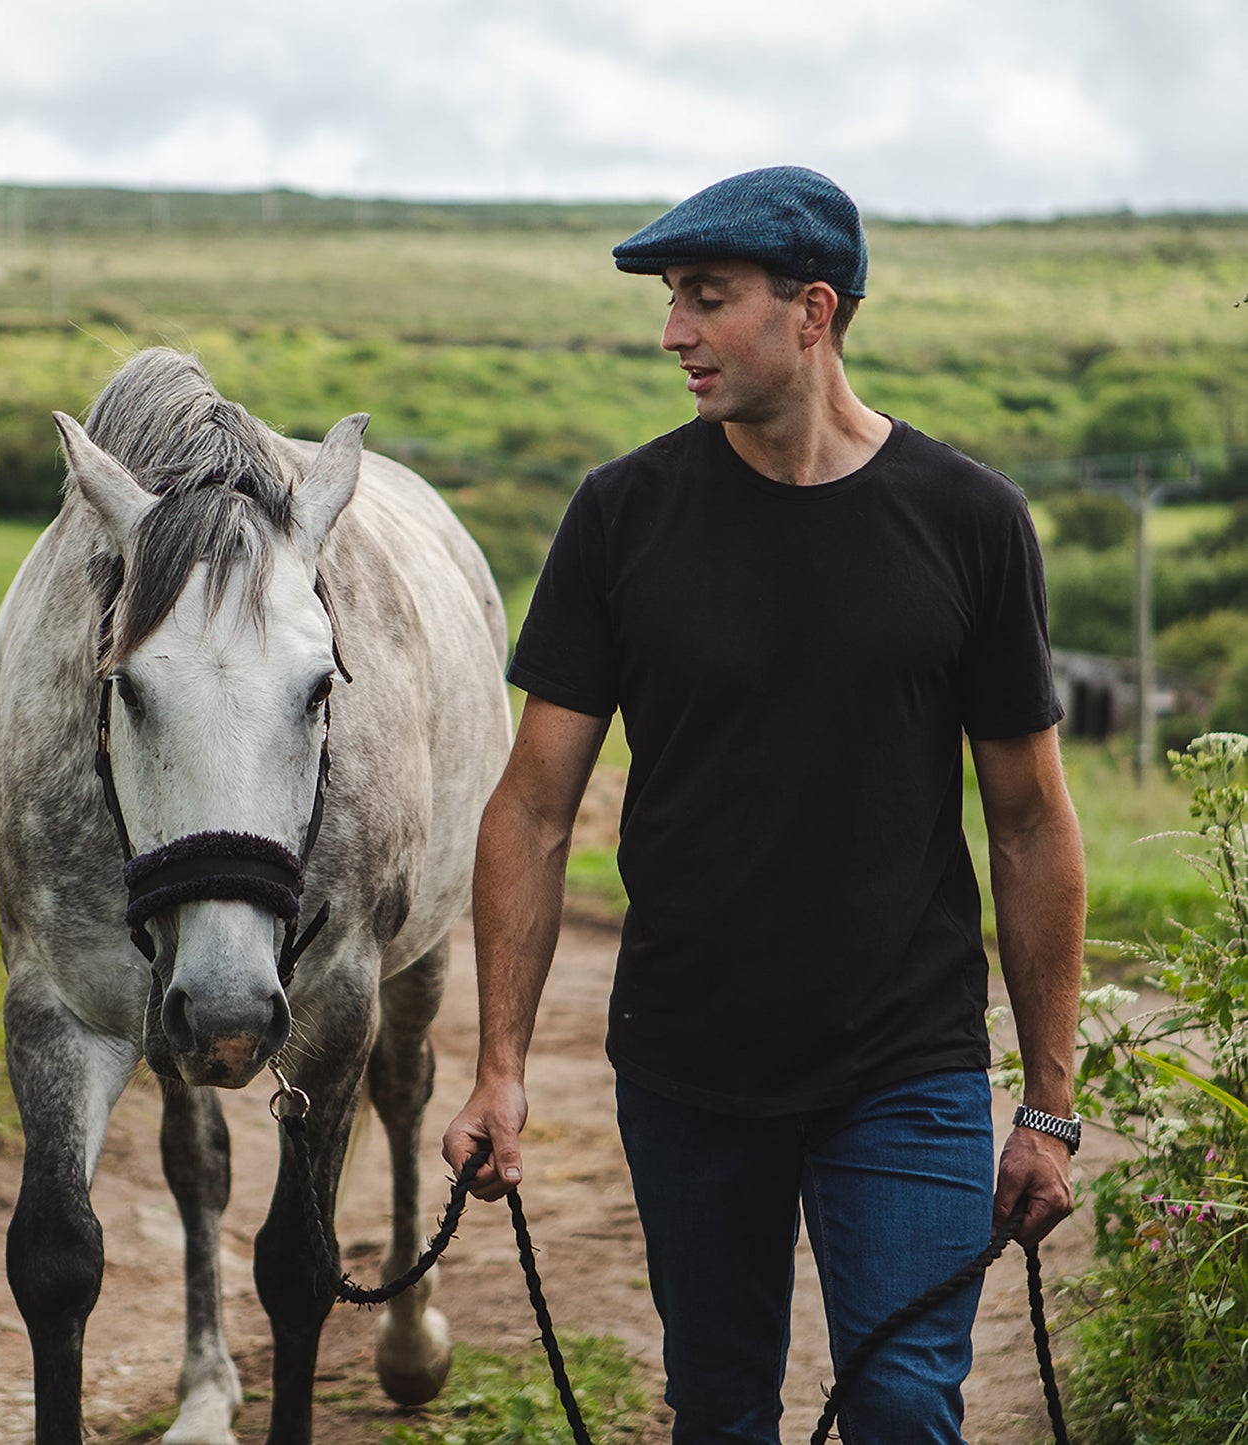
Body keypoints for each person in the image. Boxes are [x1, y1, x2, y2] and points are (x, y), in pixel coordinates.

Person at [441, 165, 1085, 1445]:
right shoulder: (620, 516)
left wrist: (1048, 1110)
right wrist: (498, 1069)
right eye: (672, 298)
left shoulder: (967, 522)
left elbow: (1026, 821)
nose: (671, 330)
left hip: (904, 1062)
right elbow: (530, 809)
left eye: (704, 297)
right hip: (688, 1062)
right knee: (720, 1409)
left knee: (903, 1407)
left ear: (812, 310)